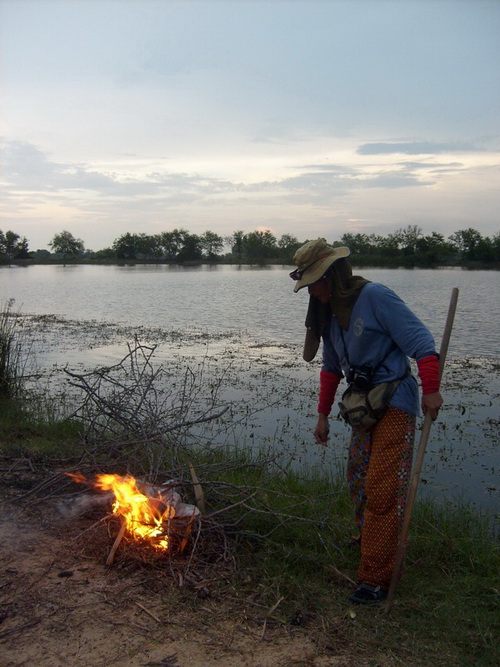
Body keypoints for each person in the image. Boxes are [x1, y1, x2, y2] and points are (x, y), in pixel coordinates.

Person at [290, 238, 443, 605]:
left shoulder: (375, 297)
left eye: (315, 282)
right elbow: (330, 369)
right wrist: (322, 416)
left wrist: (431, 389)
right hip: (363, 407)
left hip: (395, 401)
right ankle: (372, 541)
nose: (312, 290)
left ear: (333, 276)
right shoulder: (328, 313)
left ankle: (375, 579)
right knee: (359, 480)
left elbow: (422, 342)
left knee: (382, 489)